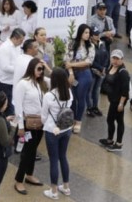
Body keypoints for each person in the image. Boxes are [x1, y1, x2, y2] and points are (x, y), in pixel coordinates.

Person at [12, 58, 47, 193]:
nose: (41, 71)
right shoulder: (23, 84)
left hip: (40, 123)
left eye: (42, 69)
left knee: (33, 150)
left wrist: (47, 68)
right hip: (27, 124)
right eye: (38, 68)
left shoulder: (41, 83)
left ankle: (29, 174)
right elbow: (18, 106)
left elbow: (58, 79)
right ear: (31, 68)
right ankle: (19, 180)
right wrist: (20, 126)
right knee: (27, 151)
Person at [41, 68, 73, 200]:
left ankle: (53, 190)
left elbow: (43, 116)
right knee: (63, 157)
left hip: (52, 130)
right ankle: (66, 187)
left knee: (53, 159)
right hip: (66, 129)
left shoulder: (49, 96)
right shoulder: (69, 93)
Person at [64, 24, 94, 133]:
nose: (87, 35)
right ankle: (71, 119)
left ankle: (78, 121)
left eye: (89, 33)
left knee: (81, 97)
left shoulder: (90, 46)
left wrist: (72, 65)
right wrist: (71, 73)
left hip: (84, 73)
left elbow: (88, 62)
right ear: (80, 32)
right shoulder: (71, 43)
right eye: (86, 32)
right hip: (72, 73)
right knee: (71, 97)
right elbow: (67, 59)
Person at [99, 49, 130, 152]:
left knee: (118, 120)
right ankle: (110, 139)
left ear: (122, 60)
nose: (115, 61)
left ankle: (118, 143)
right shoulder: (111, 67)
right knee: (111, 120)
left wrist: (121, 103)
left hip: (118, 100)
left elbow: (125, 91)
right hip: (113, 99)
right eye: (114, 58)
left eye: (118, 59)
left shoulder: (123, 73)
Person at [0, 28, 25, 116]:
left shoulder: (18, 47)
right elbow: (5, 67)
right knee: (8, 108)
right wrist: (19, 69)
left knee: (11, 107)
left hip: (14, 82)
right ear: (15, 38)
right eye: (21, 40)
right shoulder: (5, 48)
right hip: (5, 82)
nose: (22, 42)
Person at [87, 29, 109, 118]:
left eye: (98, 34)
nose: (97, 36)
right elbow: (91, 60)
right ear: (91, 36)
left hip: (101, 72)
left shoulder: (102, 43)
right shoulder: (89, 46)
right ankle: (89, 108)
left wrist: (104, 68)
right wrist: (100, 68)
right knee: (90, 90)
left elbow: (106, 56)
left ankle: (95, 106)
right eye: (95, 34)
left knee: (96, 90)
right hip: (92, 71)